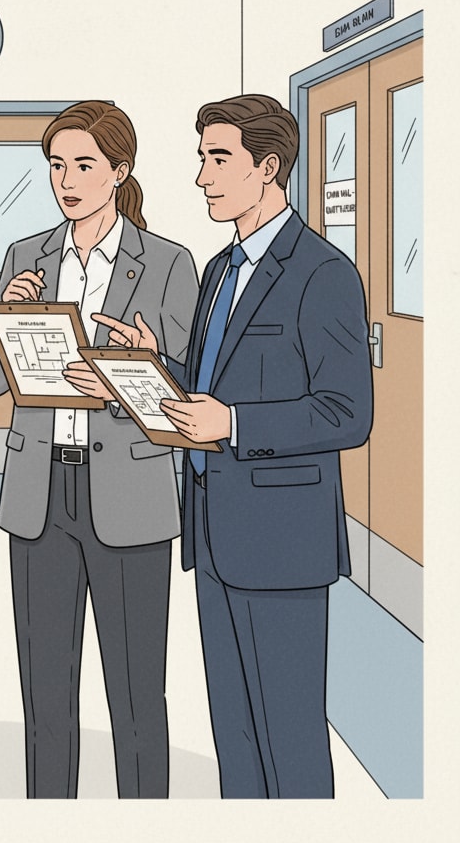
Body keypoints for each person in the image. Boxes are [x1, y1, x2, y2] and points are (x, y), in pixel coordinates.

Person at [99, 94, 374, 798]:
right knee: (237, 739)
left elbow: (347, 413)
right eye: (201, 158)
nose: (202, 177)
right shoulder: (220, 271)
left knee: (290, 735)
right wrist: (157, 362)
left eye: (218, 159)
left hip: (282, 546)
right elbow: (210, 387)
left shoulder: (323, 273)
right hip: (215, 538)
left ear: (269, 167)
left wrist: (237, 426)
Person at [0, 101, 199, 798]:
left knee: (136, 699)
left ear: (120, 170)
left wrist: (142, 364)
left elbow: (190, 392)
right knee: (46, 700)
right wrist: (3, 311)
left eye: (84, 165)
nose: (66, 180)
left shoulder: (166, 262)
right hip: (42, 495)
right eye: (56, 166)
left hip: (129, 496)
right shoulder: (26, 256)